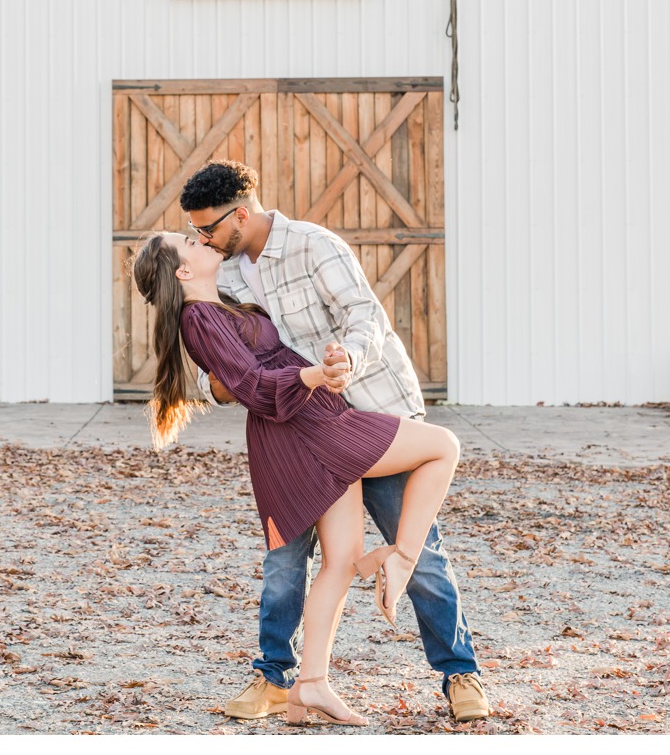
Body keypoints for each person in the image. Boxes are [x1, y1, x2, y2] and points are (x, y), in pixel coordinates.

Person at [180, 160, 490, 723]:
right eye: (196, 234)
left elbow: (362, 315)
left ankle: (458, 674)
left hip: (369, 406)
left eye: (208, 230)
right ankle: (276, 678)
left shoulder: (313, 246)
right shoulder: (217, 273)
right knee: (286, 562)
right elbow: (211, 358)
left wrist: (349, 358)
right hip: (298, 428)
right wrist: (223, 385)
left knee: (419, 553)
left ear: (240, 216)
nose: (202, 240)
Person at [133, 230, 462, 726]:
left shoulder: (221, 304)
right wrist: (314, 376)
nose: (201, 241)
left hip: (307, 423)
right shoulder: (198, 317)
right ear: (182, 270)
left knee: (343, 562)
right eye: (189, 242)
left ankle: (310, 686)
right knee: (443, 446)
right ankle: (401, 560)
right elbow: (252, 386)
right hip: (310, 429)